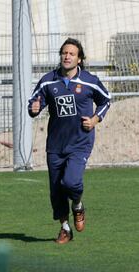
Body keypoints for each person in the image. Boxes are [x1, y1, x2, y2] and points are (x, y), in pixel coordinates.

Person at [28, 38, 111, 244]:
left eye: (71, 54)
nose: (67, 56)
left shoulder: (90, 81)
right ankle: (65, 229)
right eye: (64, 53)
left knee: (72, 182)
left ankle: (78, 206)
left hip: (80, 143)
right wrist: (34, 108)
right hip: (55, 144)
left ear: (79, 59)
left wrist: (94, 119)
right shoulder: (48, 80)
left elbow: (105, 100)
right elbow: (34, 101)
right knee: (56, 190)